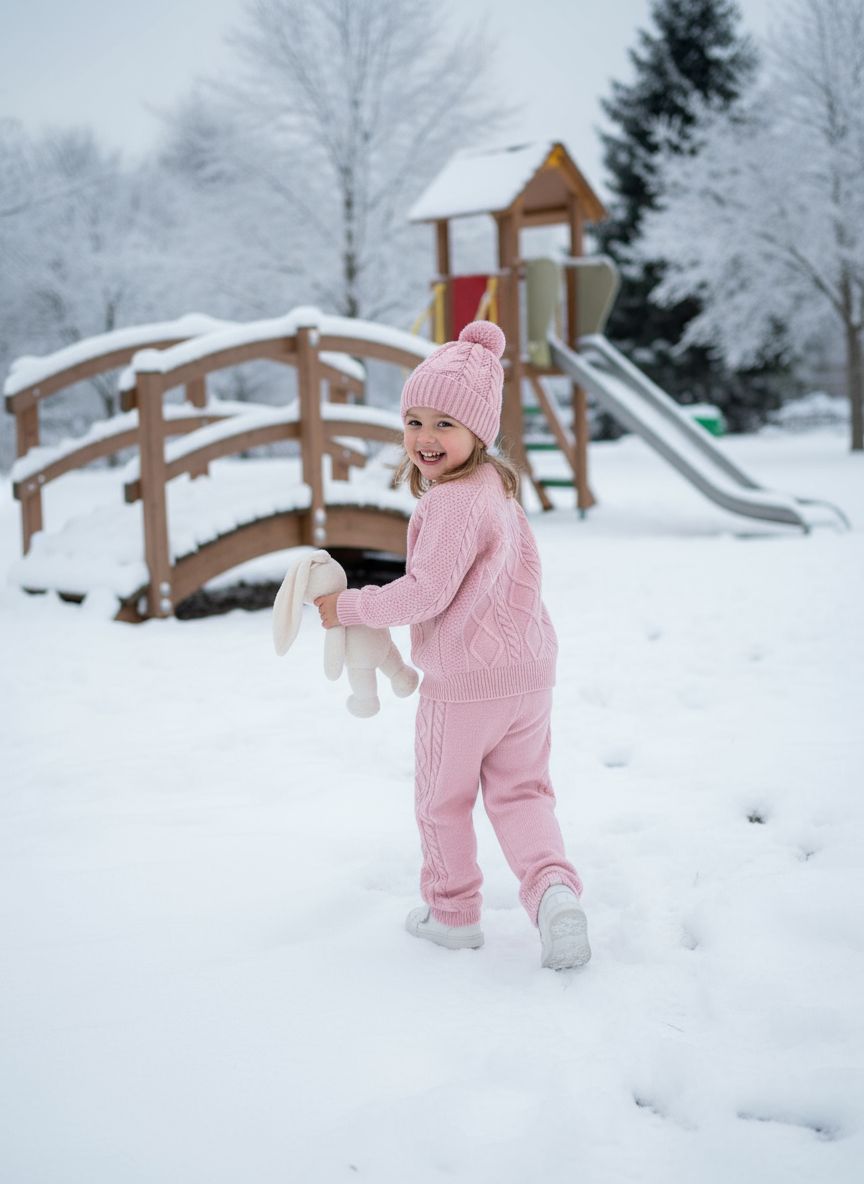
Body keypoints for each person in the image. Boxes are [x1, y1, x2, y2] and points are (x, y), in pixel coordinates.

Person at [315, 321, 590, 971]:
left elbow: (425, 593)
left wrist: (350, 606)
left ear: (479, 431)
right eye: (413, 421)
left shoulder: (447, 505)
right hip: (528, 674)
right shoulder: (498, 490)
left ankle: (452, 914)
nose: (424, 439)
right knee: (523, 793)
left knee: (442, 799)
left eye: (444, 424)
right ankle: (554, 893)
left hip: (465, 684)